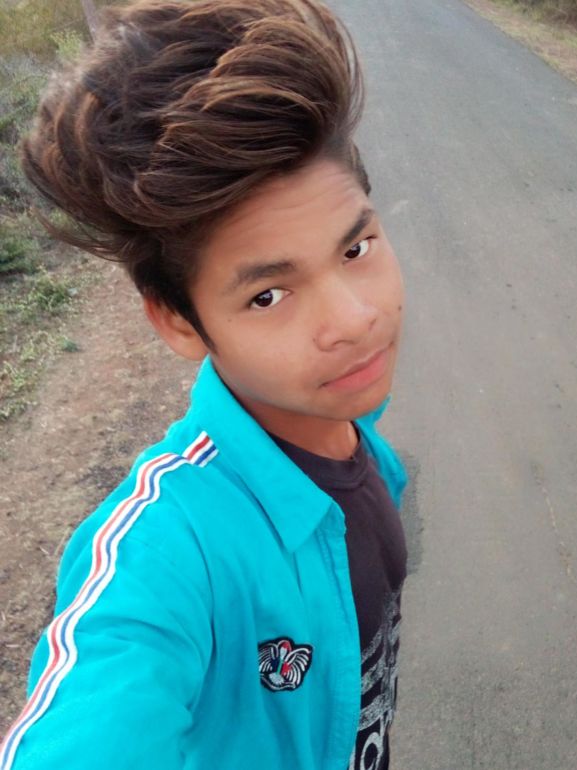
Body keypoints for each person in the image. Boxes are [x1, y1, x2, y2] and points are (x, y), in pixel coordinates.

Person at [0, 1, 408, 768]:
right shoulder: (166, 550)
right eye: (269, 295)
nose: (355, 319)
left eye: (355, 249)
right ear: (178, 322)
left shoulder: (356, 437)